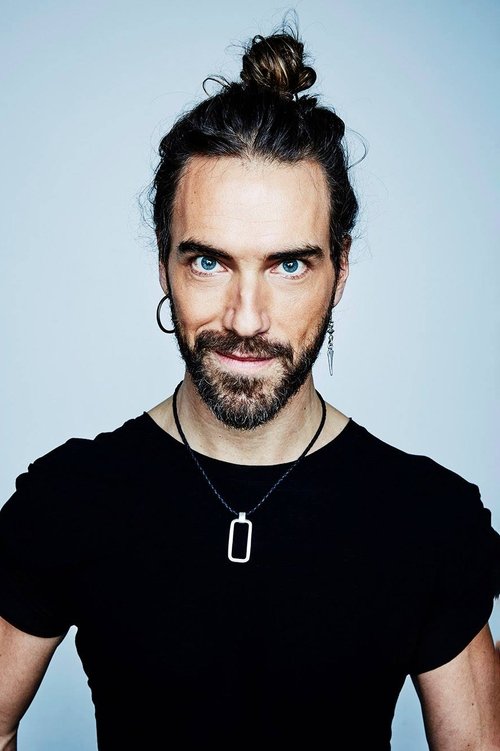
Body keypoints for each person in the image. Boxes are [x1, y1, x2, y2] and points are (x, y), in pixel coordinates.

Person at [1, 25, 499, 751]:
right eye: (208, 262)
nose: (245, 318)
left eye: (289, 265)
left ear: (340, 269)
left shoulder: (430, 520)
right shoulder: (69, 498)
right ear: (164, 263)